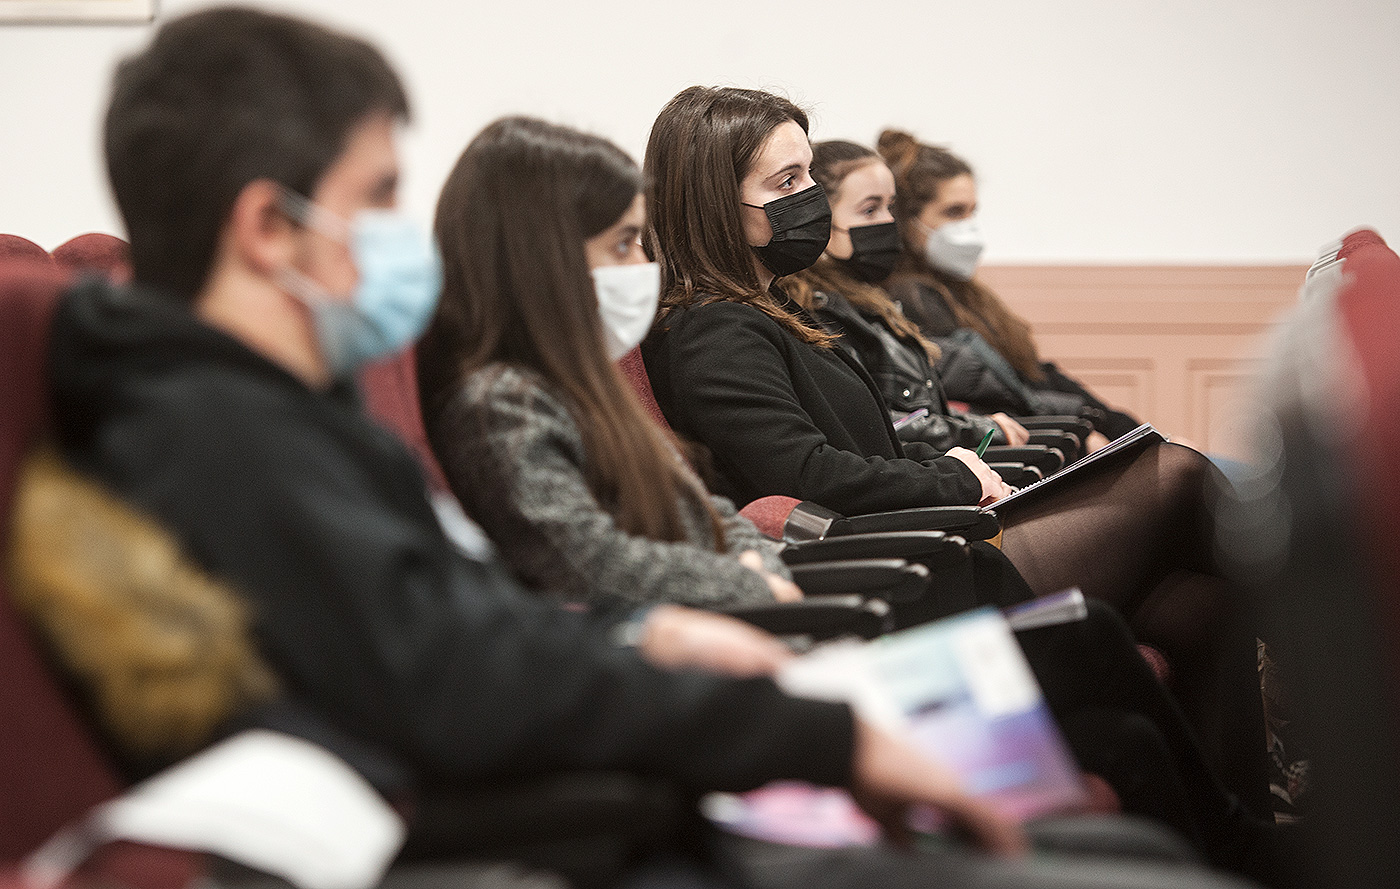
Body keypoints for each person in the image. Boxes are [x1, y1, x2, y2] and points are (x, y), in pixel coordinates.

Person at [38, 9, 1261, 889]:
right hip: (550, 820)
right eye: (372, 198)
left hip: (602, 754)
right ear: (268, 226)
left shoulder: (271, 410)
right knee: (1122, 851)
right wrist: (814, 733)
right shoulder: (216, 434)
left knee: (1113, 823)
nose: (391, 242)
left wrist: (669, 633)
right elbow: (456, 678)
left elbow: (459, 627)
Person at [410, 116, 1286, 882]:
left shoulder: (589, 383)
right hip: (797, 623)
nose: (641, 264)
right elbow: (596, 561)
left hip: (806, 592)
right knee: (1142, 550)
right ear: (539, 260)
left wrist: (755, 559)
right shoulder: (509, 401)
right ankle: (1279, 792)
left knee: (1168, 635)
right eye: (620, 246)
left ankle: (1270, 816)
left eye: (643, 239)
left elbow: (708, 508)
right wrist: (763, 582)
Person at [639, 87, 1269, 820]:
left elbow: (863, 440)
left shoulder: (772, 307)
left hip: (933, 535)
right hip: (908, 570)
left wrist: (957, 459)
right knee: (1177, 473)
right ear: (718, 205)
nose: (809, 197)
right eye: (786, 184)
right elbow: (803, 475)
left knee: (1200, 607)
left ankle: (1259, 831)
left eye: (809, 174)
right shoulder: (714, 331)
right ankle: (1341, 623)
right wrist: (950, 474)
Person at [876, 130, 1138, 443]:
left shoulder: (963, 290)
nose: (968, 226)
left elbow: (1032, 374)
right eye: (954, 212)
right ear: (907, 219)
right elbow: (1004, 397)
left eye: (973, 211)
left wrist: (1125, 428)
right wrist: (1087, 430)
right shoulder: (911, 296)